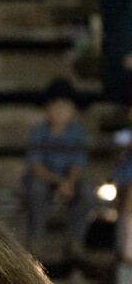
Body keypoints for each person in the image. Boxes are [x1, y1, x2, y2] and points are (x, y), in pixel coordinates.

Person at [22, 77, 94, 258]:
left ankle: (75, 241)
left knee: (87, 192)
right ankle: (36, 240)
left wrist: (69, 182)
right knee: (36, 189)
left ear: (73, 109)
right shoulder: (38, 132)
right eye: (55, 104)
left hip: (70, 180)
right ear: (47, 108)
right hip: (45, 179)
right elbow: (35, 166)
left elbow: (79, 163)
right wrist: (61, 182)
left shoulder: (78, 132)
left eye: (65, 104)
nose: (60, 109)